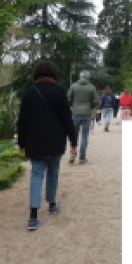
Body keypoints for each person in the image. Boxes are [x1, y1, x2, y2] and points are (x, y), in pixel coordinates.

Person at [16, 60, 78, 231]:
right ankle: (51, 204)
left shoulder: (29, 92)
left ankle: (33, 216)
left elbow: (22, 121)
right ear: (53, 74)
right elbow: (67, 118)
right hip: (55, 141)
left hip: (34, 141)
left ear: (36, 74)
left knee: (36, 175)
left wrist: (21, 142)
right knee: (53, 173)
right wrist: (73, 140)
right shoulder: (59, 91)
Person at [67, 70, 100, 165]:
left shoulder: (73, 86)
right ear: (88, 77)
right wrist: (90, 106)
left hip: (75, 113)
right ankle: (82, 157)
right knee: (85, 136)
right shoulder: (91, 87)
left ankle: (73, 154)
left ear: (80, 76)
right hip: (86, 113)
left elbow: (68, 99)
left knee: (74, 135)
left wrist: (73, 106)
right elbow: (96, 101)